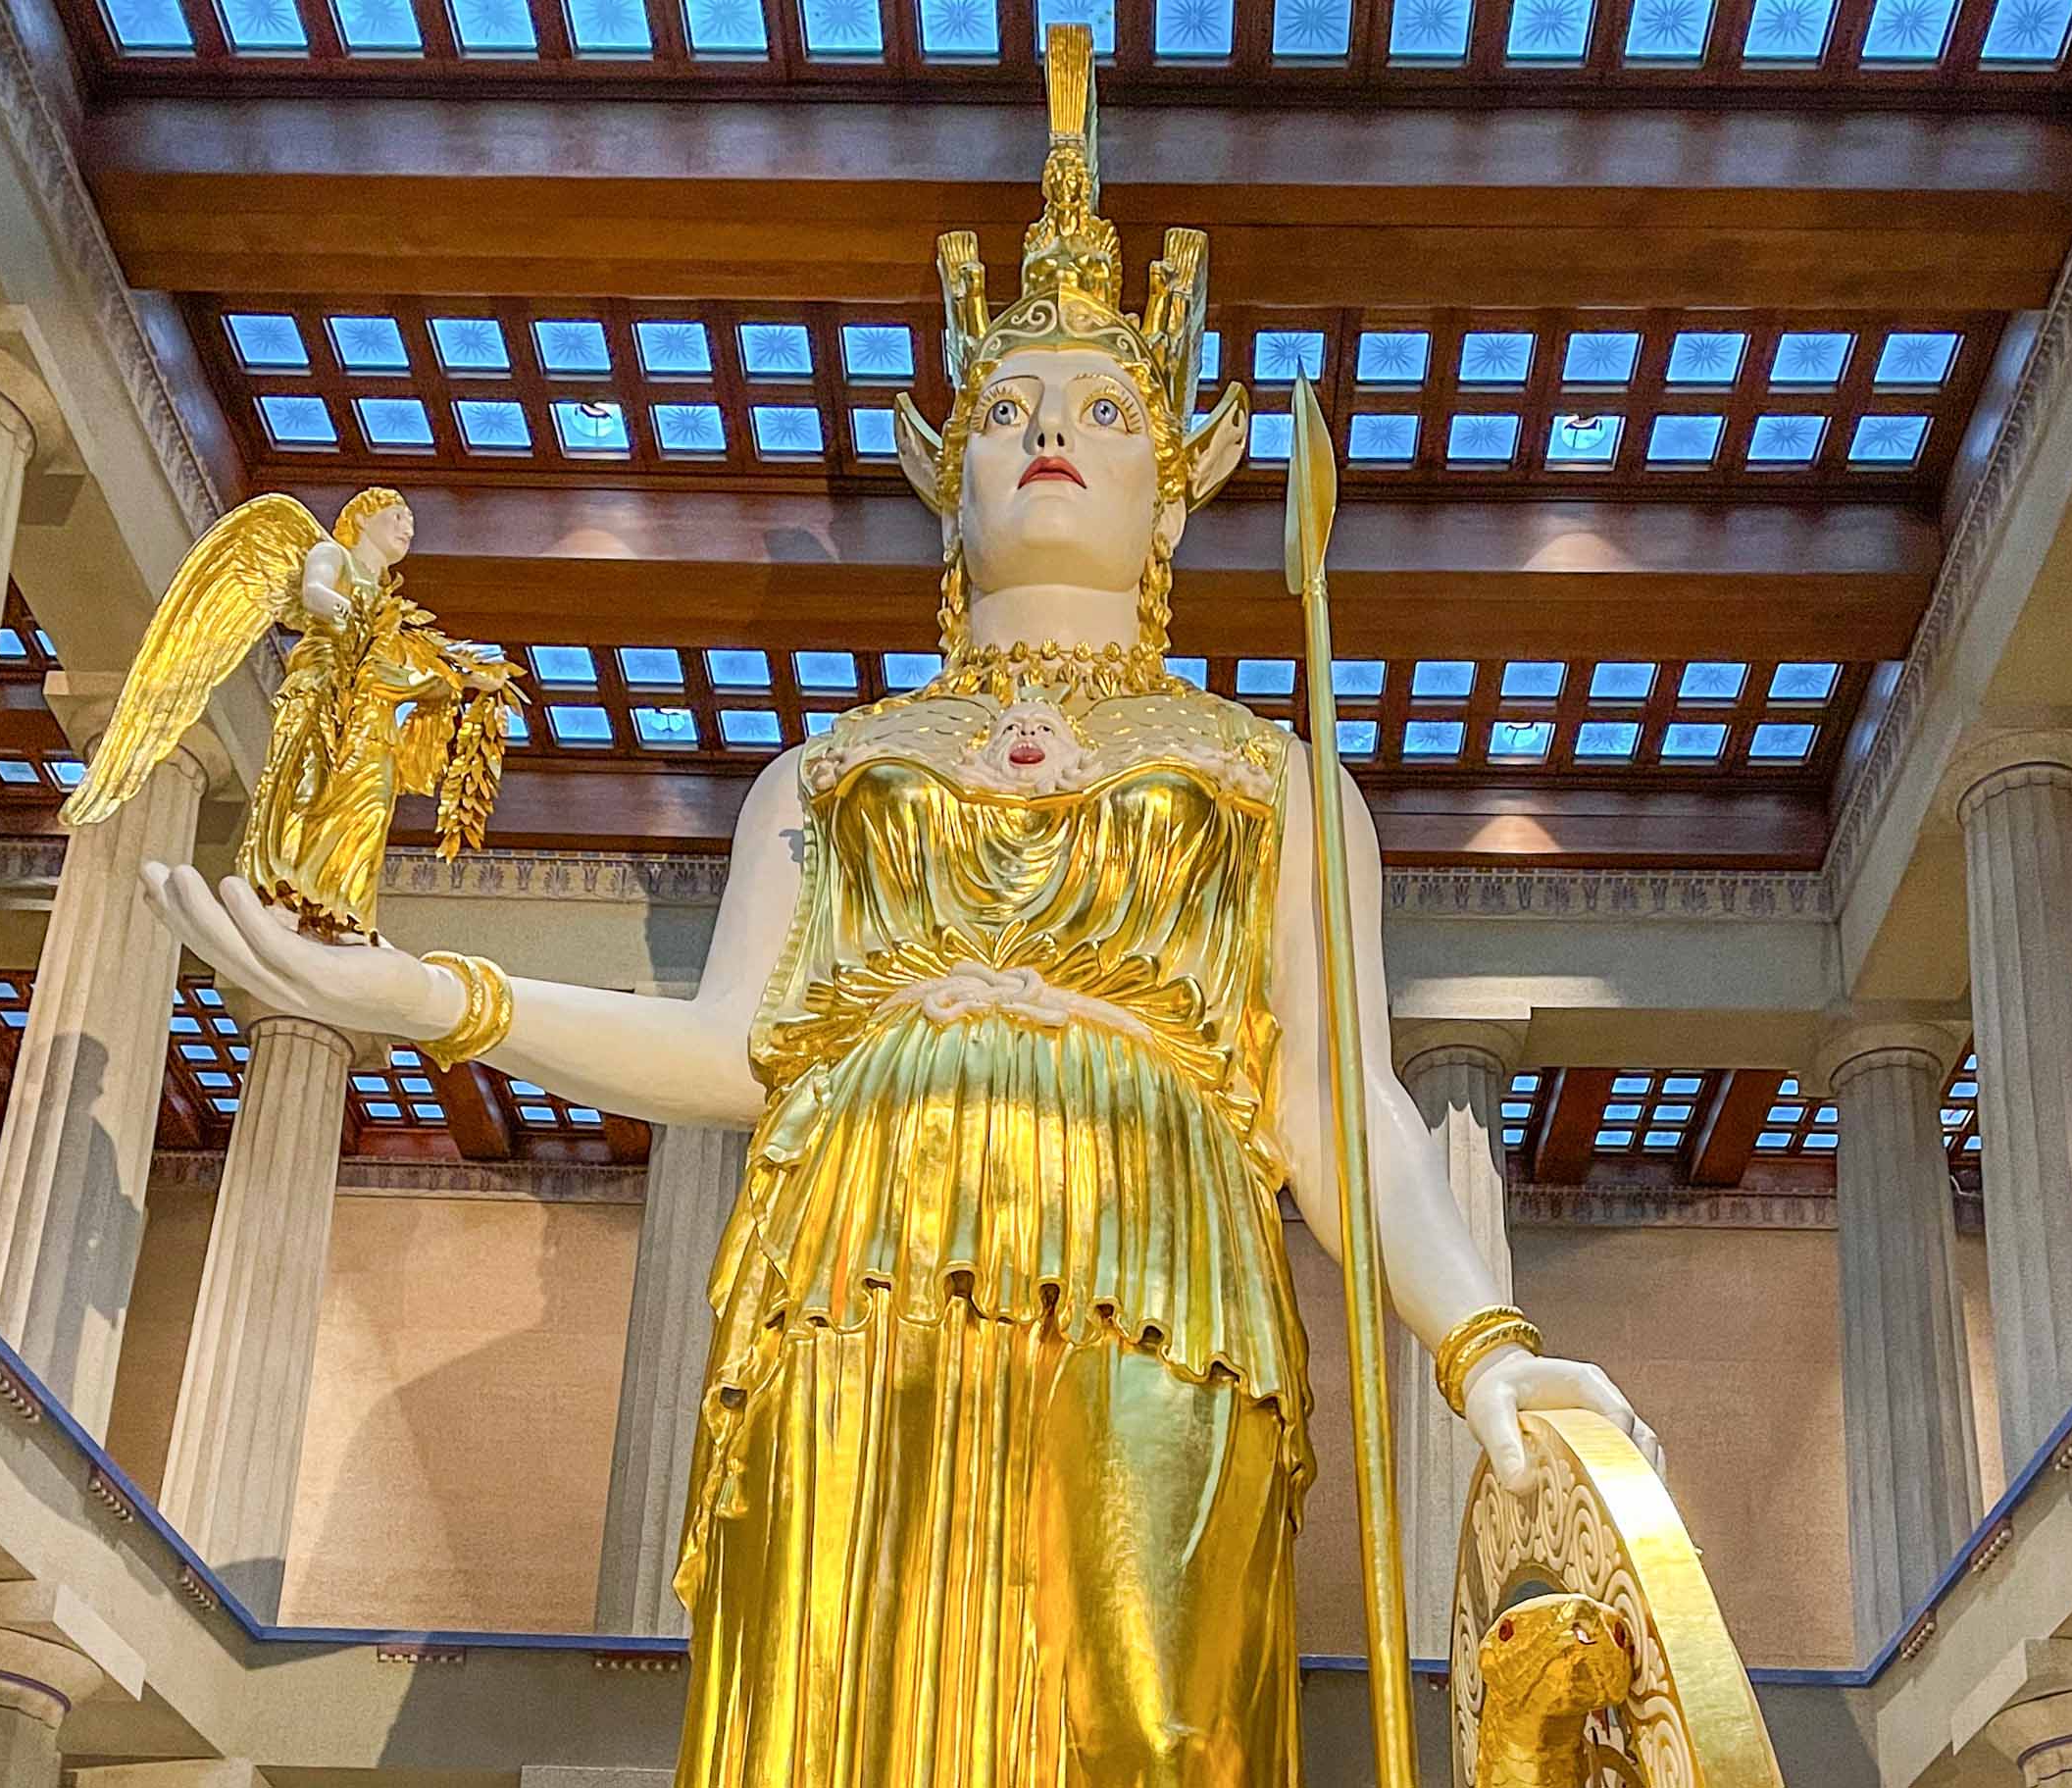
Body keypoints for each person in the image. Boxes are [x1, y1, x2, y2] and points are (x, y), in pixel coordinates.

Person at [141, 31, 1656, 1784]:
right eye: (1011, 413)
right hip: (851, 1269)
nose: (1052, 440)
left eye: (1104, 411)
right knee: (826, 1717)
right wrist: (445, 1004)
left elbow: (1336, 1102)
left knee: (1149, 1719)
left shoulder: (1275, 776)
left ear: (1179, 481)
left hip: (1154, 1261)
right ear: (953, 474)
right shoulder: (831, 768)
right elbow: (734, 1047)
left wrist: (1484, 1348)